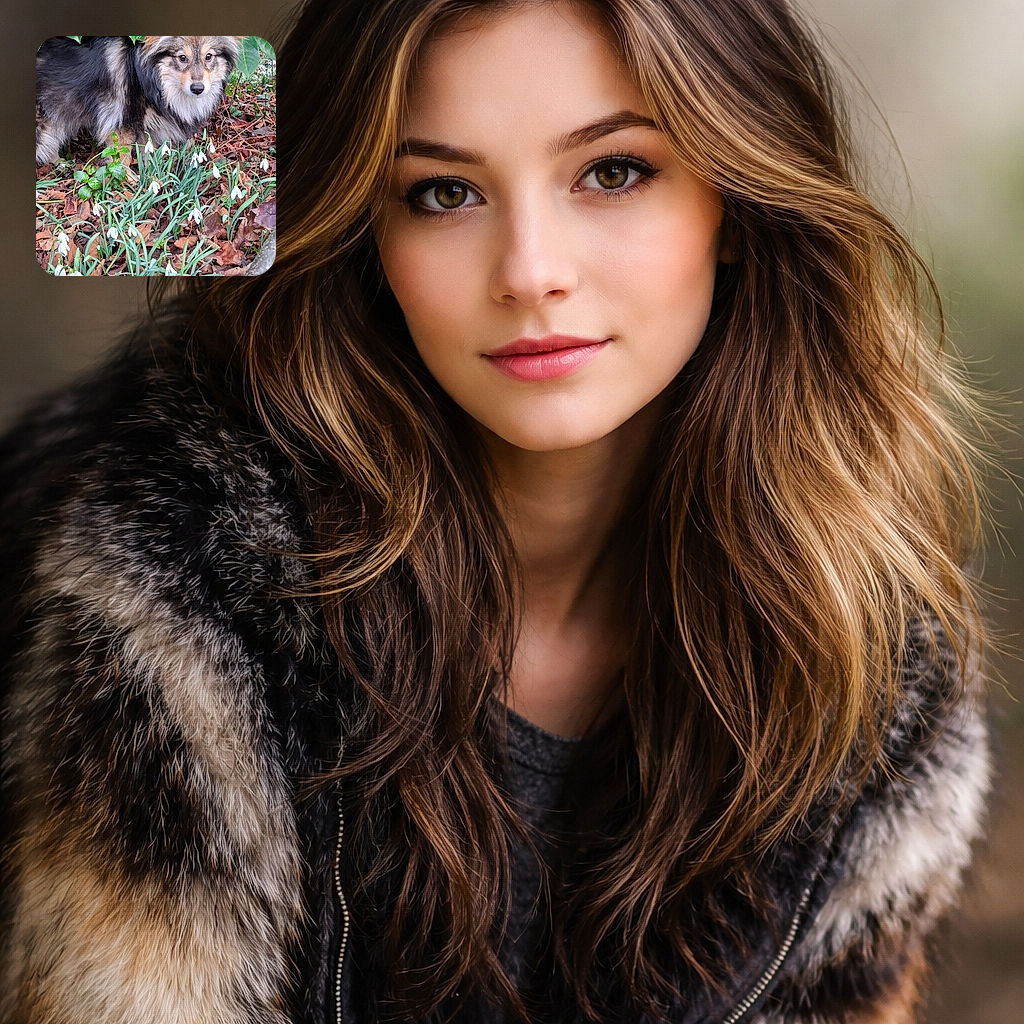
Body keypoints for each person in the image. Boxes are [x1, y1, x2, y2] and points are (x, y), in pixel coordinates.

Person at [0, 0, 991, 1022]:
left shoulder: (867, 654)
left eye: (614, 172)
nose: (530, 274)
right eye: (443, 193)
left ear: (737, 203)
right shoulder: (174, 588)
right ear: (366, 236)